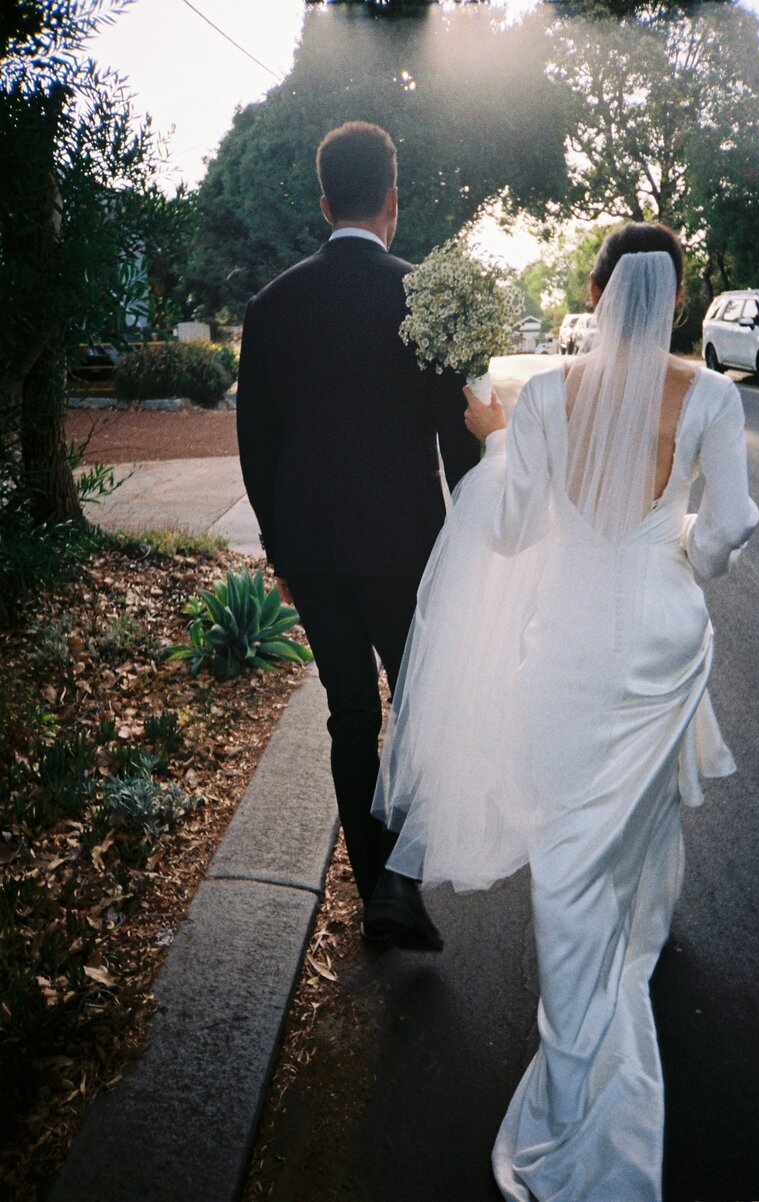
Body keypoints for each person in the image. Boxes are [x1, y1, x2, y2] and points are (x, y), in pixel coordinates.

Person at [372, 222, 759, 1200]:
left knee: (574, 829)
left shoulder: (541, 396)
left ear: (594, 294)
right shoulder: (712, 395)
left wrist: (496, 446)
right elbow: (719, 542)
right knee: (644, 799)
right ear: (671, 298)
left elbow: (505, 532)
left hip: (571, 640)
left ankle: (593, 988)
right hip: (664, 634)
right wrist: (673, 533)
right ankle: (639, 927)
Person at [236, 121, 479, 952]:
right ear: (393, 201)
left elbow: (256, 450)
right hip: (409, 551)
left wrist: (281, 553)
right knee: (424, 713)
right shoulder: (426, 297)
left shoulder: (270, 308)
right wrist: (474, 544)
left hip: (312, 551)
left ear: (322, 202)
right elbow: (460, 441)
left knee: (349, 715)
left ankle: (375, 883)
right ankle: (401, 887)